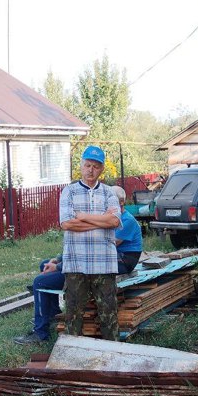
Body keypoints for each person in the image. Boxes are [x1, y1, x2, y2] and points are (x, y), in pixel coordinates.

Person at [13, 185, 141, 344]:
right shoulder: (103, 218)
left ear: (120, 203)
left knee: (39, 282)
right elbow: (76, 234)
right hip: (94, 259)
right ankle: (53, 313)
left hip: (115, 261)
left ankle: (40, 333)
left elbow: (98, 247)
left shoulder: (125, 220)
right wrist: (58, 259)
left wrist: (60, 266)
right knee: (44, 265)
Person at [58, 145, 122, 340]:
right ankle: (72, 354)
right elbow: (67, 223)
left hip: (104, 263)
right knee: (73, 314)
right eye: (87, 165)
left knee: (109, 314)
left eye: (95, 166)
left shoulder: (109, 193)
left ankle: (112, 353)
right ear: (81, 165)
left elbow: (114, 221)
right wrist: (101, 221)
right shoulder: (68, 192)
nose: (91, 170)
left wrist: (83, 216)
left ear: (101, 168)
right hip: (76, 262)